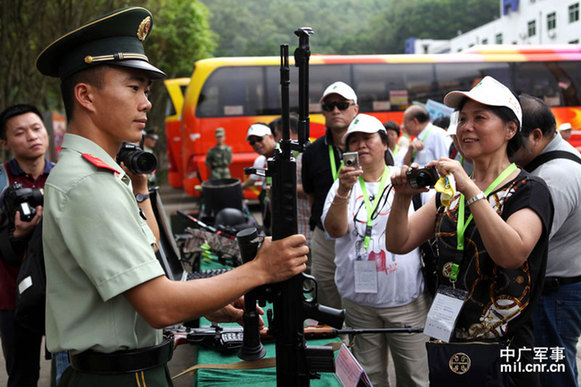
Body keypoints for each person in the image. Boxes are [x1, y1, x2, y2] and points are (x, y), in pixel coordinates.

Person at [36, 7, 308, 386]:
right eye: (133, 88)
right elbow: (159, 306)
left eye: (145, 91)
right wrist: (260, 270)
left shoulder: (101, 174)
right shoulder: (88, 183)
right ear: (86, 95)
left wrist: (209, 301)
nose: (146, 102)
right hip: (120, 377)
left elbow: (138, 280)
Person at [386, 76, 553, 386]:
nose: (466, 127)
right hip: (447, 340)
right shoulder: (447, 192)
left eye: (480, 118)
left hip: (506, 349)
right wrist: (402, 196)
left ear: (510, 129)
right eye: (462, 118)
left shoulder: (529, 190)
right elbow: (399, 242)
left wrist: (470, 189)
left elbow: (512, 255)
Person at [322, 114, 428, 387]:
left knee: (416, 376)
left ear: (385, 143)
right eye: (353, 141)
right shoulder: (341, 185)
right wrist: (344, 190)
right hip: (359, 303)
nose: (360, 145)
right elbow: (335, 230)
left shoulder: (405, 180)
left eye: (367, 138)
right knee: (368, 376)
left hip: (404, 300)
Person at [511, 94, 581, 387]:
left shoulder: (554, 176)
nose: (508, 150)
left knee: (553, 375)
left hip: (554, 296)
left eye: (513, 142)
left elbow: (521, 245)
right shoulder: (555, 160)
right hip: (555, 292)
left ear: (536, 136)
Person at [0, 104, 54, 387]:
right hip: (12, 297)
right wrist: (18, 235)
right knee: (22, 375)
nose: (32, 136)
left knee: (67, 372)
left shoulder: (63, 176)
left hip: (62, 295)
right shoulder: (1, 181)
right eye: (20, 133)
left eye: (36, 128)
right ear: (5, 143)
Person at [302, 81, 359, 310]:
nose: (335, 110)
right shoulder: (312, 152)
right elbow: (311, 196)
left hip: (360, 233)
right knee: (325, 291)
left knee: (359, 295)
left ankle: (355, 341)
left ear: (355, 109)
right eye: (329, 106)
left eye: (342, 105)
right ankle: (337, 343)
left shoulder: (370, 148)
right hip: (324, 236)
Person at [271, 116, 312, 251]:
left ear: (287, 132)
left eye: (276, 135)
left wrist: (284, 187)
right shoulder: (295, 154)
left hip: (307, 235)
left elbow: (314, 188)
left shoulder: (303, 156)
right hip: (301, 233)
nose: (276, 140)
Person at [242, 123, 276, 234]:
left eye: (259, 139)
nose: (256, 144)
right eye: (252, 142)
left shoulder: (285, 156)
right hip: (267, 206)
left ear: (271, 137)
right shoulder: (260, 160)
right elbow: (252, 180)